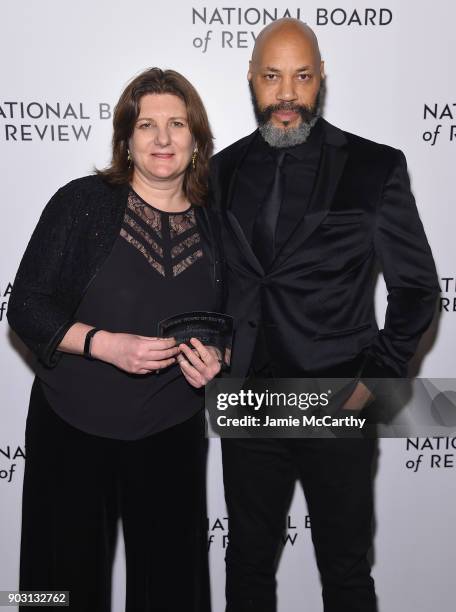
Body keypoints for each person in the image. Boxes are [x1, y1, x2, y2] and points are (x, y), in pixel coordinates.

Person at [209, 19, 439, 612]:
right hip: (250, 403)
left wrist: (371, 387)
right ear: (253, 81)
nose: (286, 93)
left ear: (320, 81)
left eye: (302, 76)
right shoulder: (221, 170)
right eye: (272, 76)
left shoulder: (374, 167)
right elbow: (215, 281)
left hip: (339, 402)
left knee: (345, 573)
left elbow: (416, 291)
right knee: (248, 568)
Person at [7, 67, 223, 612]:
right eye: (146, 124)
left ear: (196, 138)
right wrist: (106, 344)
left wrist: (222, 358)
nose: (163, 138)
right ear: (126, 138)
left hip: (171, 432)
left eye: (177, 123)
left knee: (173, 590)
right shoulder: (82, 203)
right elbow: (25, 305)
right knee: (55, 590)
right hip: (72, 429)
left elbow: (238, 318)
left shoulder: (218, 222)